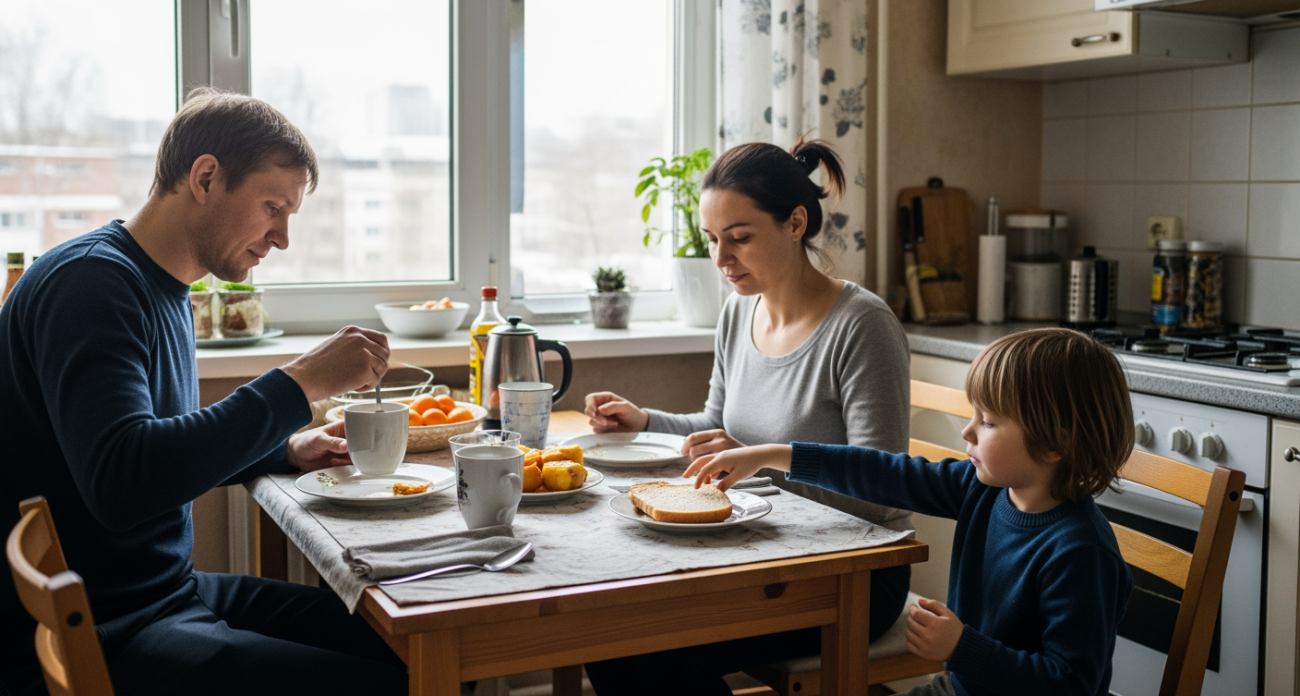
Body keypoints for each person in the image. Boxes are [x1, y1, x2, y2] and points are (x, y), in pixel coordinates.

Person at [0, 88, 408, 696]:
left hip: (161, 595)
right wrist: (302, 381)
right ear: (206, 177)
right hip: (110, 629)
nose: (282, 238)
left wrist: (283, 450)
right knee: (393, 681)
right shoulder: (90, 286)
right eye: (273, 207)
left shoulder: (159, 287)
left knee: (409, 643)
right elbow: (123, 482)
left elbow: (157, 447)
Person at [582, 138, 912, 694]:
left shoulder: (862, 327)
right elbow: (718, 428)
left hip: (853, 573)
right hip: (764, 556)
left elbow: (883, 490)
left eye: (739, 238)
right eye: (712, 239)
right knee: (603, 631)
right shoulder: (739, 313)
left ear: (795, 223)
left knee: (653, 648)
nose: (720, 259)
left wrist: (762, 464)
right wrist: (645, 422)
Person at [686, 328, 1136, 696]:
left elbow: (1070, 684)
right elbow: (885, 473)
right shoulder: (982, 489)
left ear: (1055, 443)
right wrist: (772, 455)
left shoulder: (1081, 553)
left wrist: (961, 647)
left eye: (988, 421)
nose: (968, 431)